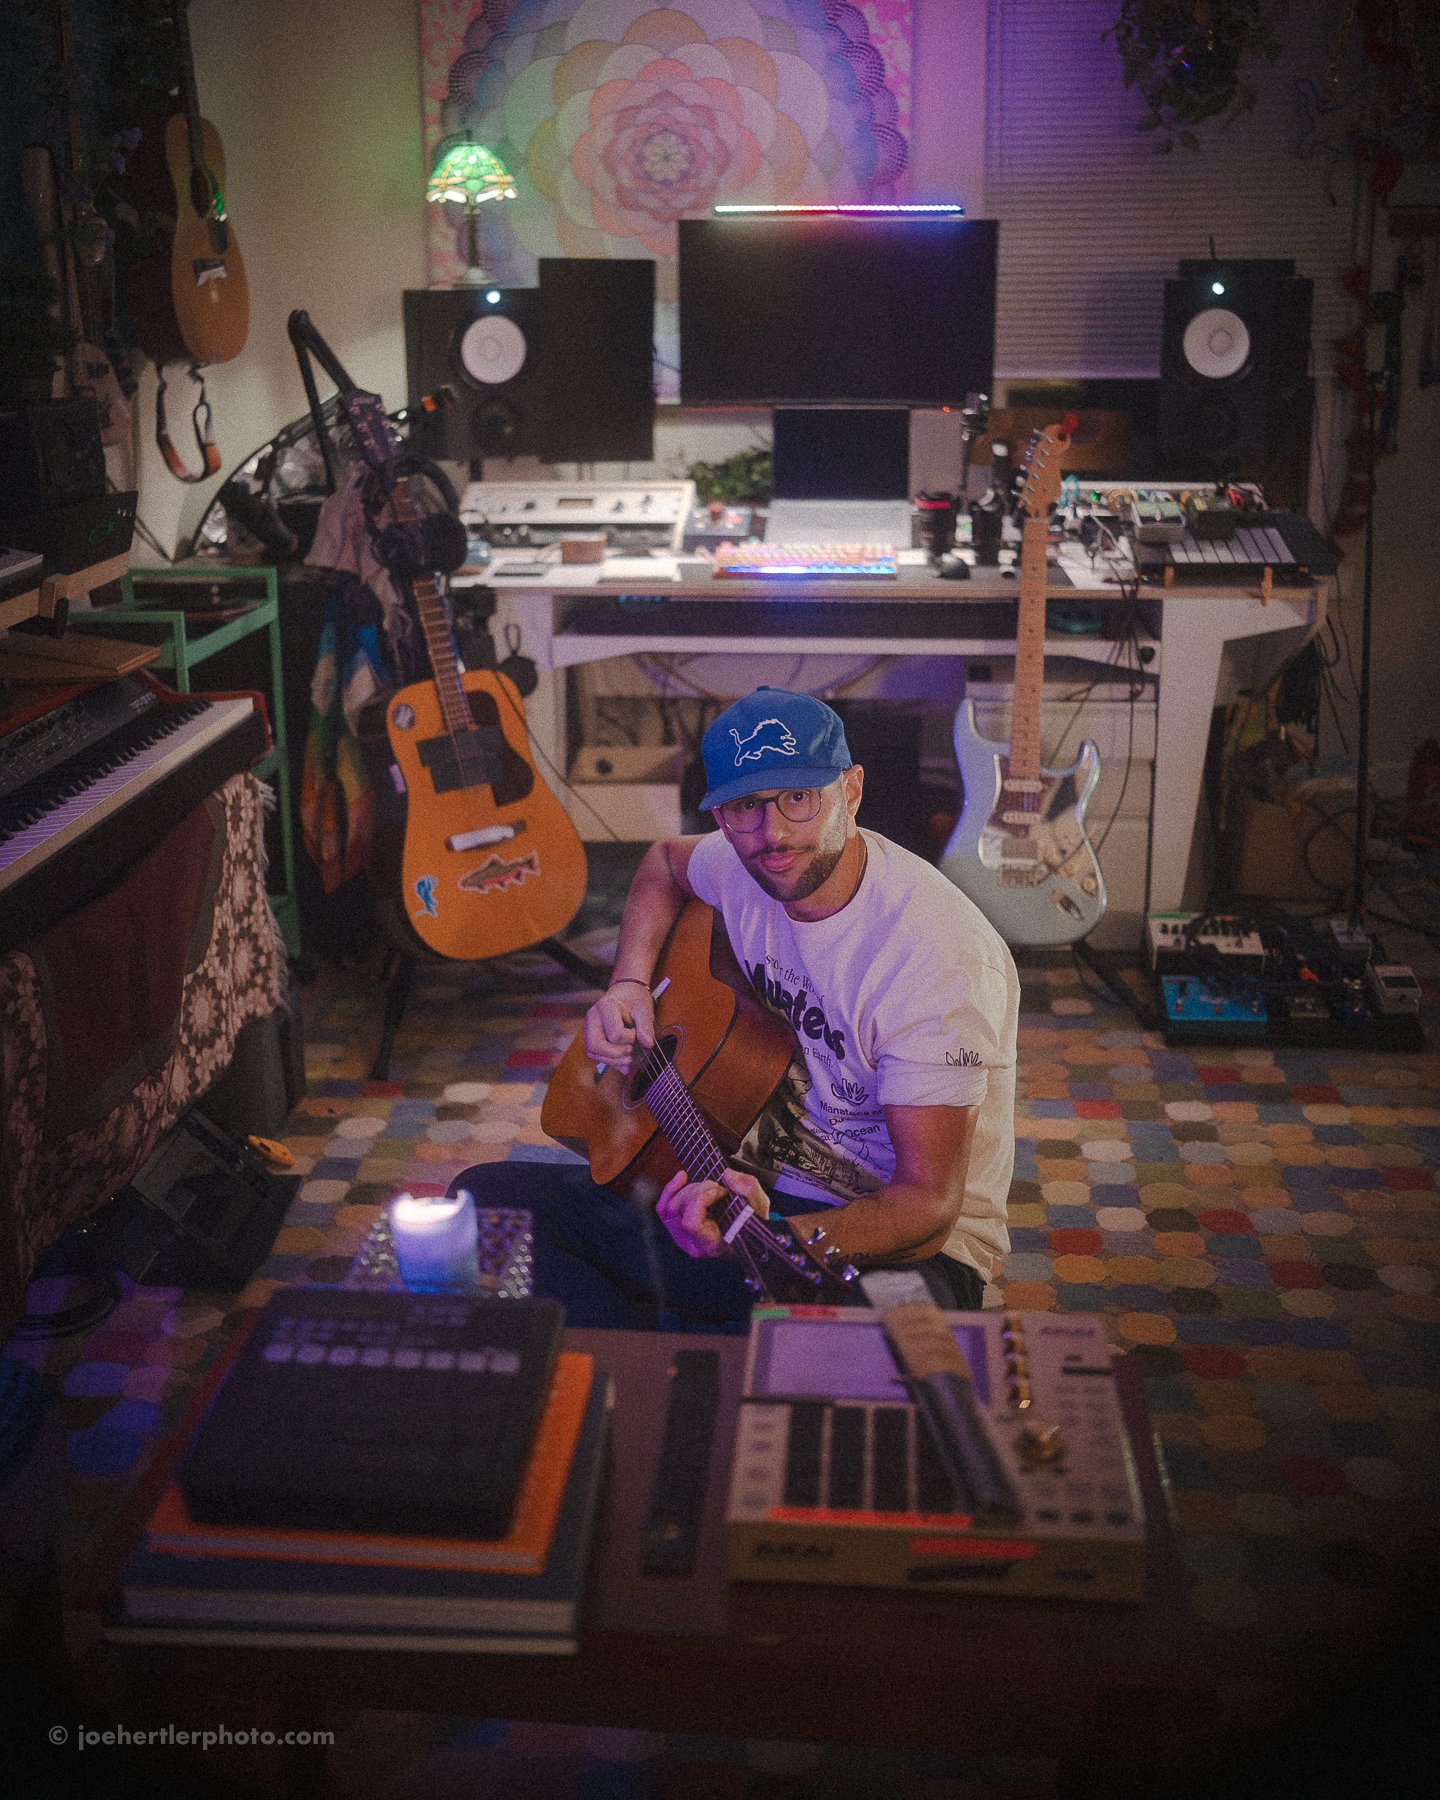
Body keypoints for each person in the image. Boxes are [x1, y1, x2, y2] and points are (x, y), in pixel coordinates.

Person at [449, 686, 1018, 1329]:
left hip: (897, 1247)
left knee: (857, 1345)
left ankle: (661, 1345)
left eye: (799, 798)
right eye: (745, 806)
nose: (773, 833)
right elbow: (663, 862)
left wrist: (768, 1235)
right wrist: (629, 985)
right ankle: (660, 1348)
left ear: (851, 790)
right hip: (741, 1177)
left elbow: (925, 1207)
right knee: (483, 1203)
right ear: (720, 818)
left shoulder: (937, 956)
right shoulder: (742, 863)